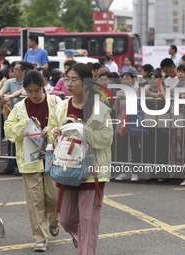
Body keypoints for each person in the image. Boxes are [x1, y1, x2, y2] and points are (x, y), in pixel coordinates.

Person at [48, 63, 113, 255]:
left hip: (92, 171)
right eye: (66, 79)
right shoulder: (61, 106)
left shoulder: (99, 108)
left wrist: (83, 130)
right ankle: (82, 239)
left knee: (87, 219)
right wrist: (55, 132)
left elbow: (106, 138)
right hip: (67, 168)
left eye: (73, 79)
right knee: (66, 218)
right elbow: (52, 131)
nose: (68, 83)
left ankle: (86, 249)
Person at [4, 70, 61, 252]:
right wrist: (25, 124)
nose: (34, 95)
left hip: (53, 159)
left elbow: (65, 124)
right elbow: (9, 131)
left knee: (52, 198)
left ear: (44, 87)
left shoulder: (55, 102)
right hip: (29, 160)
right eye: (29, 91)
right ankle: (40, 237)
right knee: (35, 201)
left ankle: (53, 220)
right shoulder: (20, 107)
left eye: (37, 90)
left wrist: (51, 130)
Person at [0, 61, 27, 175]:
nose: (14, 71)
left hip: (24, 114)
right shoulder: (9, 81)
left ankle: (21, 166)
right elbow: (2, 90)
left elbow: (22, 91)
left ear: (23, 71)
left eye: (17, 69)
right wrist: (0, 93)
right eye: (14, 69)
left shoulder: (27, 81)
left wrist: (10, 96)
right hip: (11, 114)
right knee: (10, 138)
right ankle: (10, 165)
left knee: (22, 140)